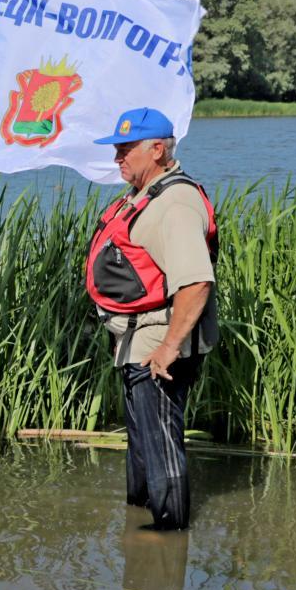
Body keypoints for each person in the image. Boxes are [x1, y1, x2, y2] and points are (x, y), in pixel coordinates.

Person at [86, 107, 218, 530]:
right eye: (117, 149)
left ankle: (167, 543)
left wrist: (168, 347)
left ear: (158, 149)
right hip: (137, 343)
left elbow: (196, 282)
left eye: (125, 149)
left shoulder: (176, 201)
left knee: (160, 445)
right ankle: (139, 530)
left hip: (159, 347)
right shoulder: (144, 196)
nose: (117, 158)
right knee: (143, 445)